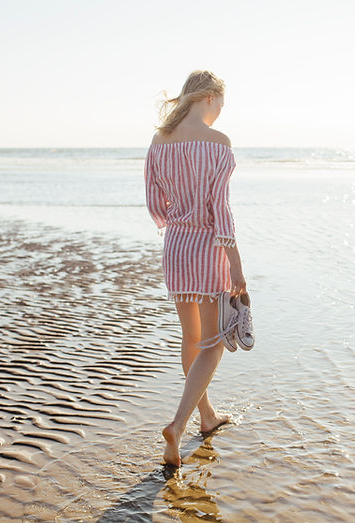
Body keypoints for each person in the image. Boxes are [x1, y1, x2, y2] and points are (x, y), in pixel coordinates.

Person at [143, 70, 247, 467]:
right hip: (208, 245)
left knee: (192, 338)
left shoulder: (158, 141)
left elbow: (155, 203)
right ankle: (179, 423)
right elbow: (220, 210)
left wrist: (176, 224)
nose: (221, 111)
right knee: (214, 342)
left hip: (176, 246)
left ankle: (206, 416)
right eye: (221, 103)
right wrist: (235, 263)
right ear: (209, 98)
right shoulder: (218, 143)